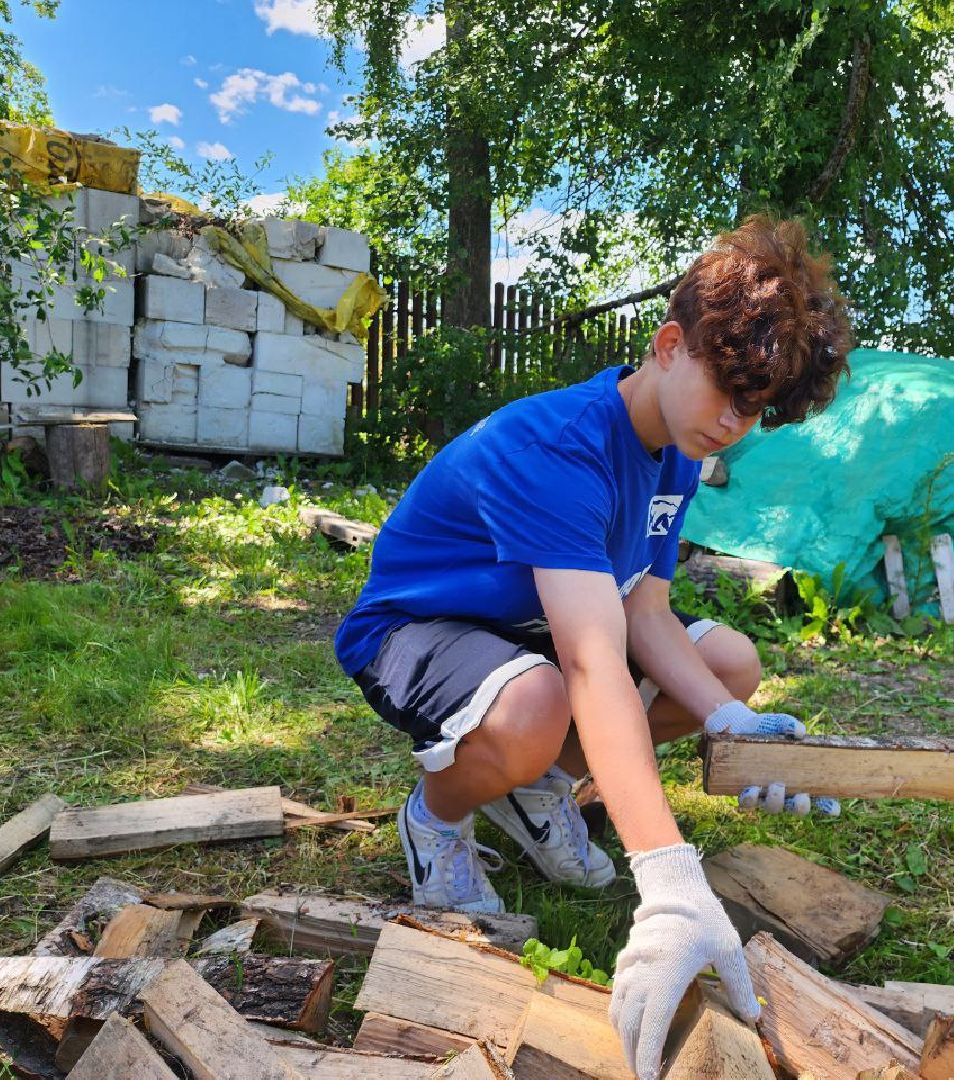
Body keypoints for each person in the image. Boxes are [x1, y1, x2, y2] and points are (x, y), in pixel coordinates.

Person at [333, 213, 852, 1078]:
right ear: (668, 343)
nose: (733, 422)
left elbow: (645, 615)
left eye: (754, 408)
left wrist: (727, 718)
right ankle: (439, 818)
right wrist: (670, 877)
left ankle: (541, 787)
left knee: (729, 665)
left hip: (532, 629)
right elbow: (592, 661)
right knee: (539, 701)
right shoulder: (560, 447)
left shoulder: (676, 451)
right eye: (726, 388)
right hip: (419, 627)